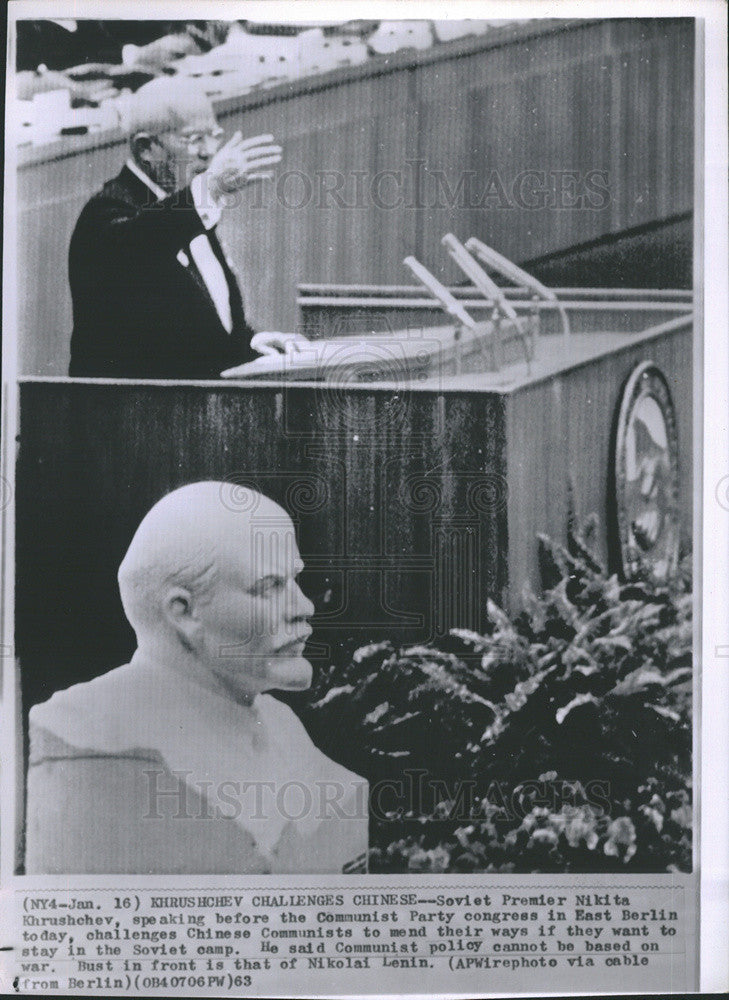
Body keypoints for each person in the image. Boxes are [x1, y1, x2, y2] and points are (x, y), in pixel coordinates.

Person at [25, 482, 368, 874]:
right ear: (184, 613)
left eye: (295, 580)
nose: (303, 607)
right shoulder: (91, 732)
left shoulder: (280, 724)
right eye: (270, 587)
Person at [68, 77, 300, 378]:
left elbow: (193, 320)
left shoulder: (184, 205)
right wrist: (211, 186)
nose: (208, 151)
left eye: (213, 135)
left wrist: (247, 342)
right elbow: (145, 246)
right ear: (146, 148)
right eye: (193, 139)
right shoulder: (107, 214)